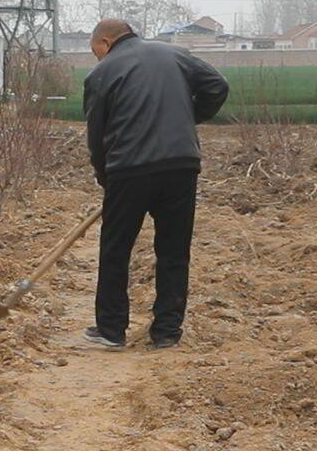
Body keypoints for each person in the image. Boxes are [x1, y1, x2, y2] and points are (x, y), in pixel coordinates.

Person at [81, 18, 230, 350]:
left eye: (96, 52)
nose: (98, 59)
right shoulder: (175, 54)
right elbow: (218, 86)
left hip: (129, 170)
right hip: (181, 166)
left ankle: (111, 330)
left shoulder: (102, 74)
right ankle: (166, 332)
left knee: (115, 250)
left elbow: (97, 135)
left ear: (105, 42)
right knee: (174, 250)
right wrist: (188, 117)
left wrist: (104, 174)